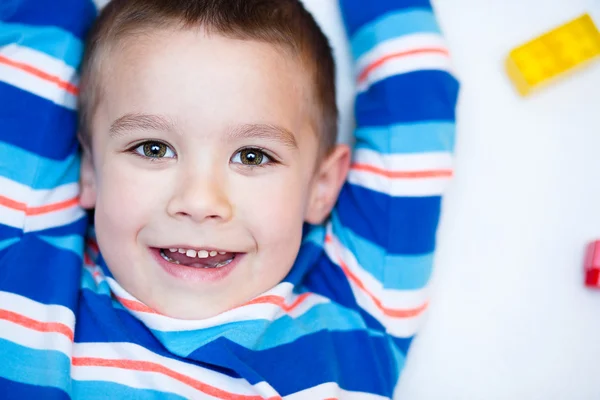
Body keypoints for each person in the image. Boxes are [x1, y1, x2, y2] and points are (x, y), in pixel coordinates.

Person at [0, 0, 459, 398]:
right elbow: (45, 24)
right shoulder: (32, 269)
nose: (200, 201)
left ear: (321, 186)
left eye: (253, 156)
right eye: (153, 148)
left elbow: (414, 93)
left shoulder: (357, 297)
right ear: (89, 169)